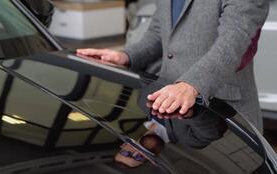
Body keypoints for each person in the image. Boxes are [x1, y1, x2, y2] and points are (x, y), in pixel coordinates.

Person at [77, 0, 269, 132]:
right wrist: (125, 56)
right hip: (170, 111)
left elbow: (233, 43)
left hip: (221, 116)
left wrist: (190, 84)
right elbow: (158, 34)